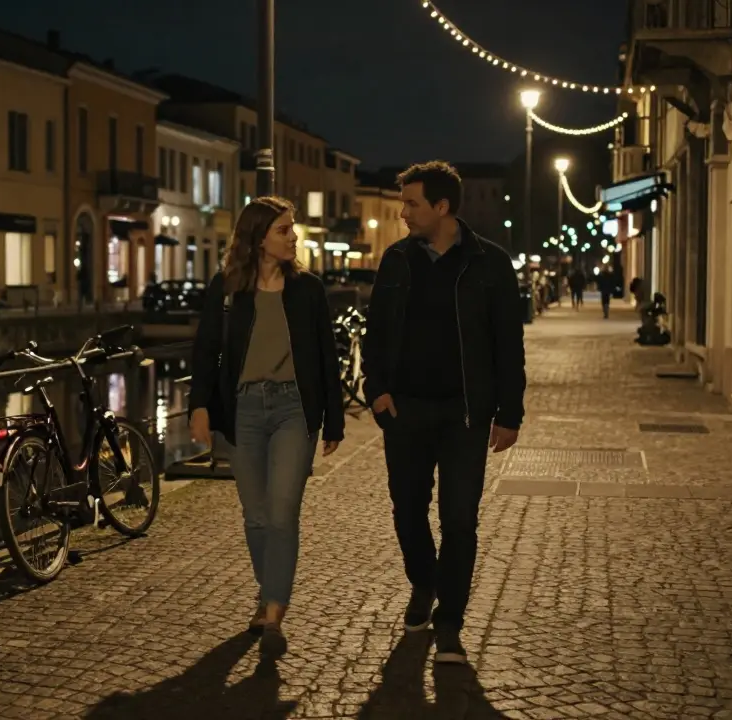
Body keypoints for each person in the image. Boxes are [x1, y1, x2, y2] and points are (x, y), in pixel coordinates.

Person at [361, 161, 526, 666]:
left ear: (442, 206)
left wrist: (509, 412)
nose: (402, 212)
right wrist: (377, 389)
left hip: (466, 415)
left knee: (459, 519)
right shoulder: (396, 260)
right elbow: (376, 332)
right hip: (405, 409)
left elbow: (507, 343)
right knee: (407, 511)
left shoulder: (490, 264)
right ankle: (425, 581)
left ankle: (450, 622)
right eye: (402, 202)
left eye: (412, 203)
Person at [188, 196, 344, 658]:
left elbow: (326, 359)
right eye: (283, 230)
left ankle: (274, 608)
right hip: (243, 410)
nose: (293, 237)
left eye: (291, 228)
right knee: (255, 516)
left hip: (294, 408)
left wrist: (333, 419)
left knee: (281, 512)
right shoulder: (227, 289)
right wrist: (199, 406)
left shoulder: (309, 290)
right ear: (258, 238)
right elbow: (206, 352)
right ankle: (268, 590)